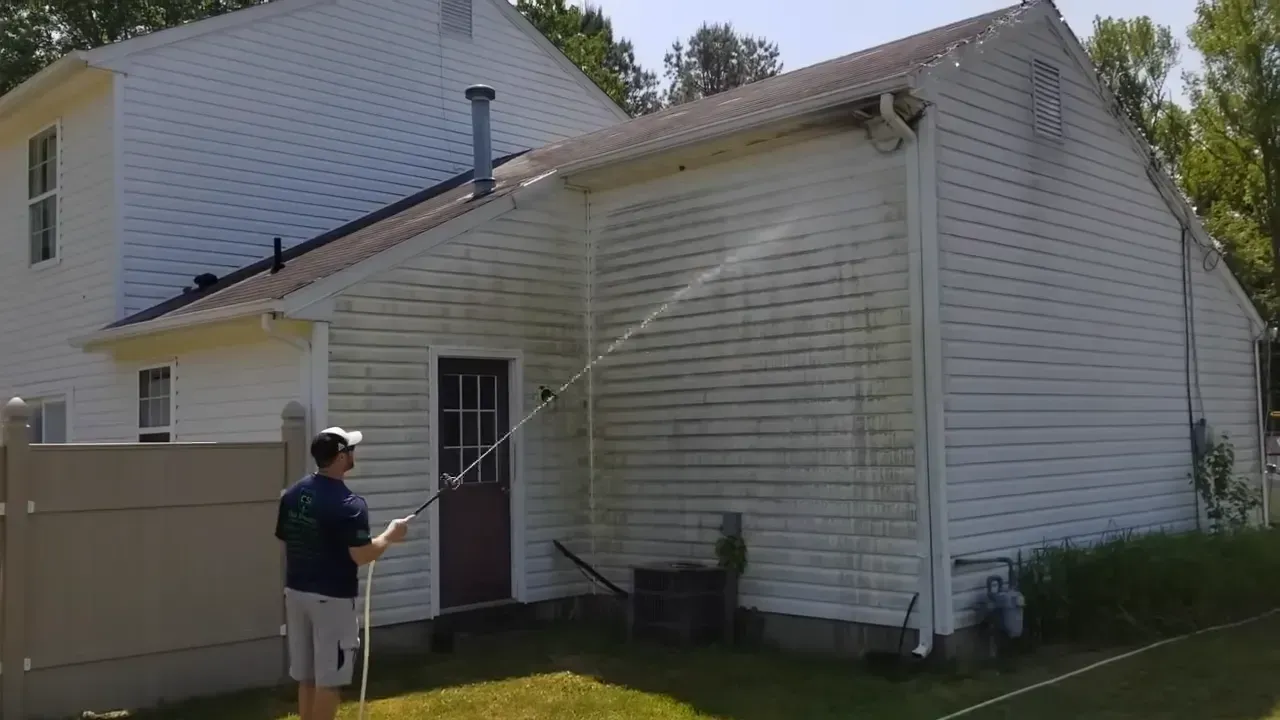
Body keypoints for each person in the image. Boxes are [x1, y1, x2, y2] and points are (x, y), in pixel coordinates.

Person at [275, 426, 411, 720]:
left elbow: (286, 541)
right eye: (350, 449)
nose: (353, 453)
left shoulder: (292, 494)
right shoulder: (350, 505)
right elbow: (361, 555)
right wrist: (390, 535)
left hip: (295, 594)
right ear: (339, 457)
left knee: (307, 677)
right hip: (332, 600)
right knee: (330, 681)